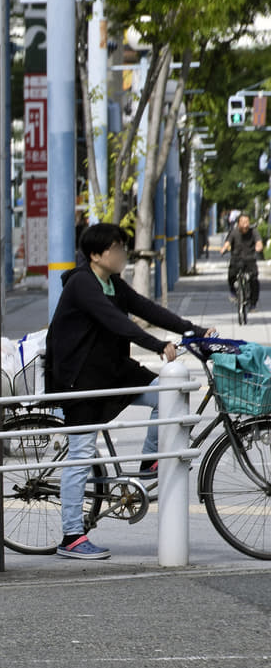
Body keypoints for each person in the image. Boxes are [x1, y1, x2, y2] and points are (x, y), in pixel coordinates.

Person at [46, 223, 213, 560]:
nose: (122, 254)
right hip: (80, 380)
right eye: (116, 248)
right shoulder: (83, 284)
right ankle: (71, 536)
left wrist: (193, 330)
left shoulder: (113, 283)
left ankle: (150, 461)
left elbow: (146, 309)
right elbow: (115, 321)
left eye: (123, 246)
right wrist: (157, 345)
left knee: (169, 393)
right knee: (81, 456)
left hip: (112, 372)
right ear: (96, 255)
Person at [220, 212, 263, 310]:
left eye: (247, 222)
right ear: (238, 223)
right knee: (231, 275)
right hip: (236, 259)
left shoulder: (253, 232)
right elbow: (228, 242)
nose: (245, 224)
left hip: (250, 259)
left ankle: (253, 303)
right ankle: (233, 292)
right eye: (243, 222)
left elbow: (259, 242)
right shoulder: (234, 232)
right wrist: (224, 248)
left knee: (254, 280)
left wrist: (258, 247)